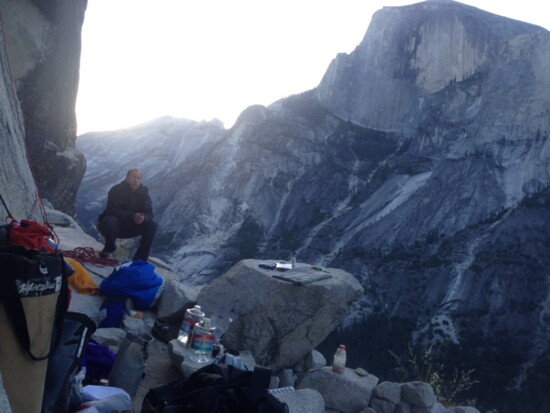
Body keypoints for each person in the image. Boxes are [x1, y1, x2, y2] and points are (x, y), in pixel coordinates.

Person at [98, 168, 158, 261]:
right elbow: (111, 210)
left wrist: (143, 218)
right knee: (111, 221)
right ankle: (108, 249)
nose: (136, 180)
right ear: (127, 178)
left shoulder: (144, 194)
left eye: (138, 178)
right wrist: (132, 216)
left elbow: (149, 214)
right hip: (113, 227)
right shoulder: (116, 190)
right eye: (133, 177)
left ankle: (140, 259)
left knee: (152, 225)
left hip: (130, 227)